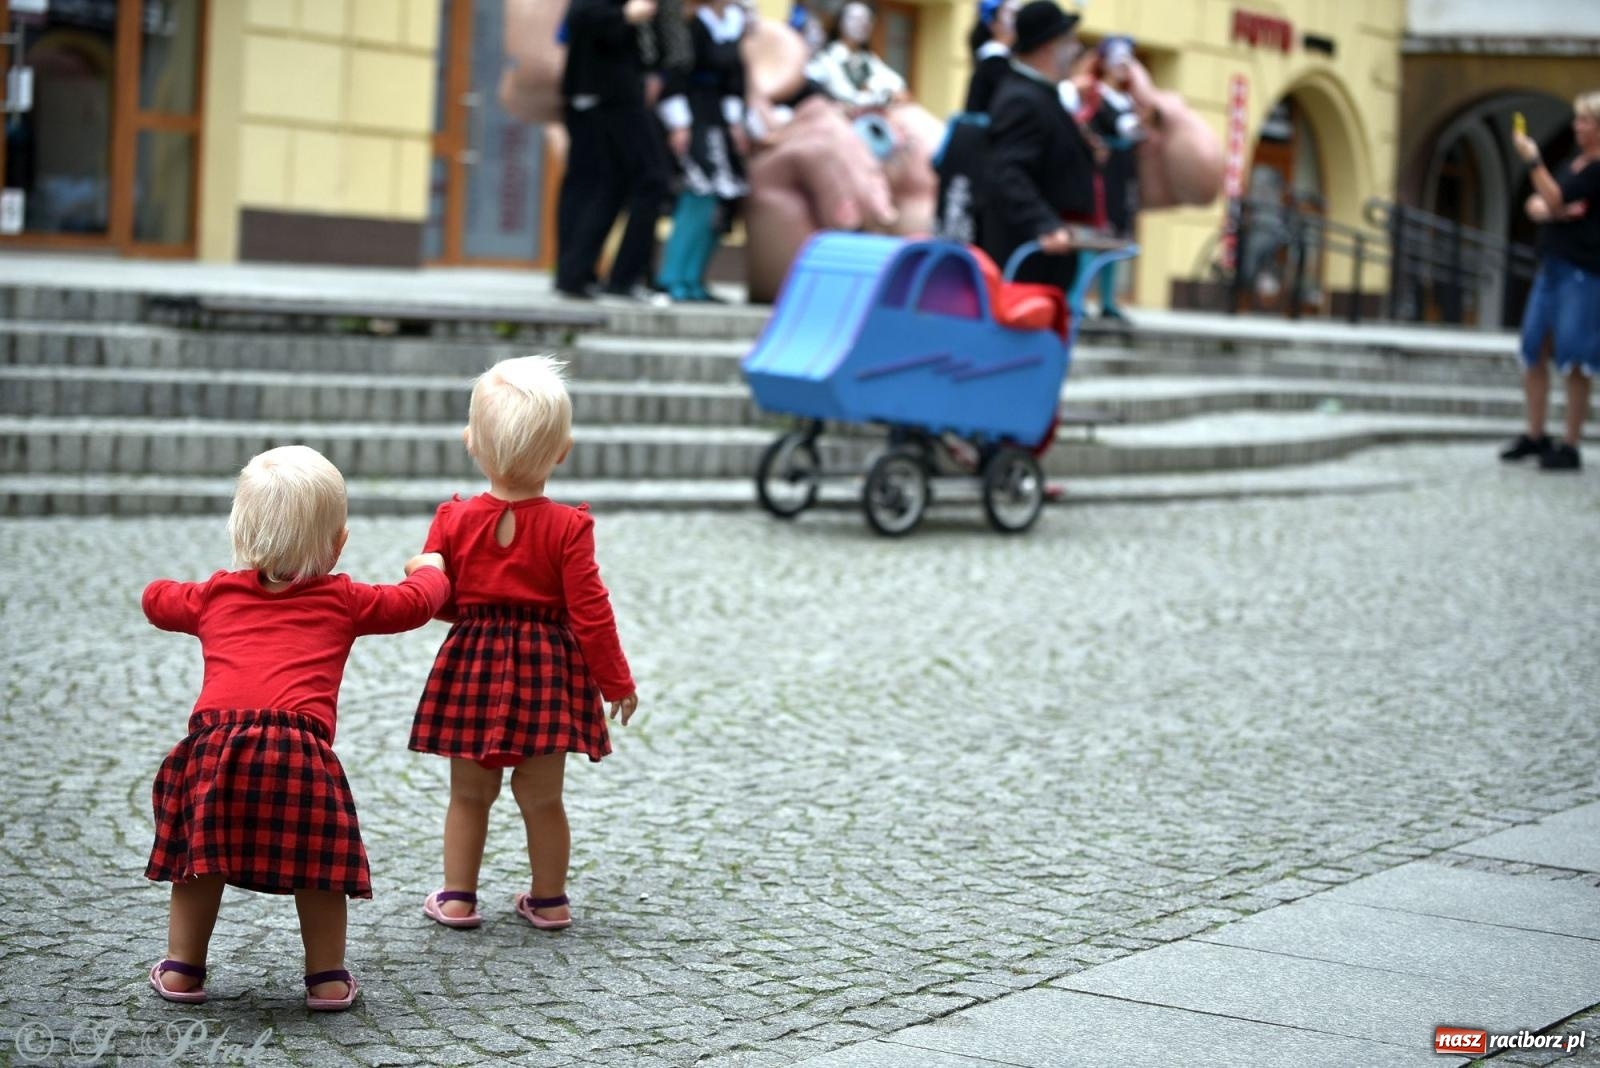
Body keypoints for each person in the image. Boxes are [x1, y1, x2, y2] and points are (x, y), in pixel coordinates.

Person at [142, 446, 451, 1012]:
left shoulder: (216, 594)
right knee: (320, 869)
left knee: (198, 864)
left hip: (216, 750)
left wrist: (165, 589)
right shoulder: (344, 599)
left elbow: (158, 600)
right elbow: (412, 605)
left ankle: (184, 969)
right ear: (338, 543)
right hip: (298, 754)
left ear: (241, 533)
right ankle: (327, 979)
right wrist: (430, 569)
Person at [410, 355, 639, 933]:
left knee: (469, 795)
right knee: (542, 798)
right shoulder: (568, 527)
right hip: (547, 670)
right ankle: (549, 900)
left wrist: (421, 571)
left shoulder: (452, 520)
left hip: (474, 665)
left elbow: (442, 602)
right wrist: (616, 680)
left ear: (471, 442)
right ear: (563, 450)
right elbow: (590, 610)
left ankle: (459, 898)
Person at [1505, 90, 1600, 472]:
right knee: (1533, 348)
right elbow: (1538, 202)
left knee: (1575, 357)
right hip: (1552, 266)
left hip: (1583, 271)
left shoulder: (1597, 170)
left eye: (1585, 120)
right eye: (1577, 120)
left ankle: (1570, 442)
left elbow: (1553, 196)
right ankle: (1535, 433)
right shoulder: (1574, 164)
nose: (1577, 126)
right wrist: (1552, 207)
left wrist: (1533, 161)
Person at [555, 0, 673, 303]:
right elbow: (581, 19)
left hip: (619, 94)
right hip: (610, 96)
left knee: (613, 184)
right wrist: (625, 15)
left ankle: (579, 274)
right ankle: (619, 278)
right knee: (651, 179)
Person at [979, 0, 1096, 291]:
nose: (1076, 49)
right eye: (1069, 41)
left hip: (1047, 254)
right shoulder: (1022, 99)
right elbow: (1008, 171)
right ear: (1048, 47)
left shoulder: (1041, 95)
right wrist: (1044, 224)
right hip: (1027, 257)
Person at [657, 0, 751, 303]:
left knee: (721, 203)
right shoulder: (693, 24)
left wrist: (736, 123)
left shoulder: (736, 25)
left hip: (719, 121)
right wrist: (679, 124)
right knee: (698, 194)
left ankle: (694, 278)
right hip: (692, 116)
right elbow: (675, 75)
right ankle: (672, 277)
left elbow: (734, 80)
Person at [1085, 35, 1143, 320]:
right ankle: (1078, 297)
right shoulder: (1094, 94)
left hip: (1123, 171)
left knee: (1117, 237)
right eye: (1118, 57)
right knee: (1094, 235)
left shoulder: (1129, 100)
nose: (1123, 64)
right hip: (1101, 173)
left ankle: (1108, 300)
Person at [806, 2, 908, 113]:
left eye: (867, 19)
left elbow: (901, 91)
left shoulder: (869, 60)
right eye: (855, 19)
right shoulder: (825, 59)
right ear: (840, 22)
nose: (862, 24)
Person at [965, 0, 1019, 114]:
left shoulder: (998, 59)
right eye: (1013, 14)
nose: (1018, 22)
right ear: (993, 24)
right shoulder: (994, 62)